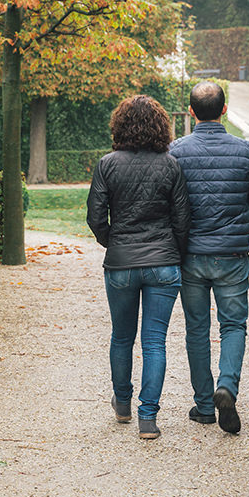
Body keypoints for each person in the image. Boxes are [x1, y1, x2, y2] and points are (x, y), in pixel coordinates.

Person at [87, 95, 191, 440]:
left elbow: (96, 218)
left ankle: (123, 403)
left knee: (121, 336)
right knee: (154, 342)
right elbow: (182, 220)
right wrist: (170, 250)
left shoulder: (107, 164)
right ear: (161, 126)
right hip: (163, 263)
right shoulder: (171, 164)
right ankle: (149, 417)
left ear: (119, 125)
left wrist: (113, 243)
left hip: (121, 263)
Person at [169, 82, 249, 434]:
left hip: (192, 255)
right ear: (224, 110)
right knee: (233, 325)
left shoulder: (176, 151)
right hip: (232, 253)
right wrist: (245, 230)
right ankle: (226, 386)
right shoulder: (246, 150)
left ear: (192, 111)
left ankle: (202, 405)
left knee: (196, 328)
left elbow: (170, 206)